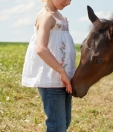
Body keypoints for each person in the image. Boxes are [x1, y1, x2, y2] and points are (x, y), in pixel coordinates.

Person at [21, 0, 76, 131]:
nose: (69, 2)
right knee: (57, 125)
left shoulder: (61, 17)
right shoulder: (46, 16)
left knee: (65, 121)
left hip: (64, 79)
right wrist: (62, 72)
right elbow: (41, 49)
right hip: (51, 79)